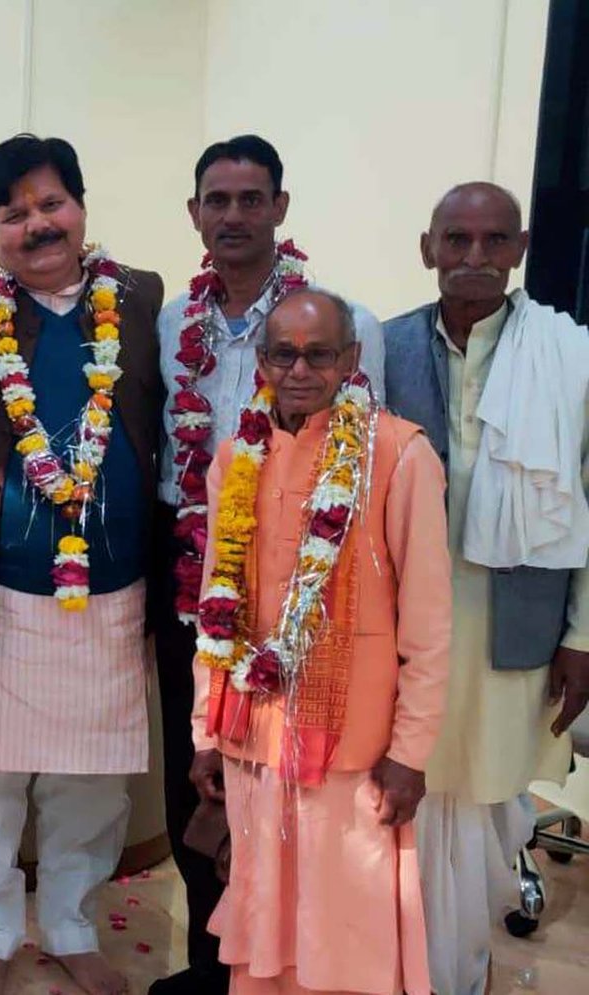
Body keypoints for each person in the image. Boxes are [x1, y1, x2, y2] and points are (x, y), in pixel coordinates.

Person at [0, 134, 164, 995]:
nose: (37, 225)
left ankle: (70, 923)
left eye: (51, 203)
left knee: (91, 780)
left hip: (112, 588)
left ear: (81, 208)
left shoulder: (140, 298)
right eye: (13, 213)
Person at [149, 133, 386, 995]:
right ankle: (211, 964)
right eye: (218, 199)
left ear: (281, 207)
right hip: (196, 574)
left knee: (289, 783)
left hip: (302, 584)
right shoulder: (174, 320)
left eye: (253, 198)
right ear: (195, 213)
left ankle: (285, 968)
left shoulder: (338, 323)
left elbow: (363, 462)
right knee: (200, 768)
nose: (235, 215)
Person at [191, 289, 450, 995]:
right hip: (253, 734)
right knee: (264, 915)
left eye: (320, 354)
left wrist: (410, 753)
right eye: (283, 354)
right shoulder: (236, 458)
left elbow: (429, 624)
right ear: (261, 361)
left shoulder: (399, 454)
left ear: (351, 359)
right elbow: (216, 607)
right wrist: (204, 732)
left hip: (353, 744)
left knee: (347, 926)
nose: (300, 371)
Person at [383, 181, 589, 995]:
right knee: (408, 789)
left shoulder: (570, 358)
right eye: (457, 240)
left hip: (518, 618)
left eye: (495, 240)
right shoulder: (382, 347)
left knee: (483, 800)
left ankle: (459, 970)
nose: (475, 257)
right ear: (427, 248)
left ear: (521, 249)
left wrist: (582, 634)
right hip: (404, 625)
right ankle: (397, 965)